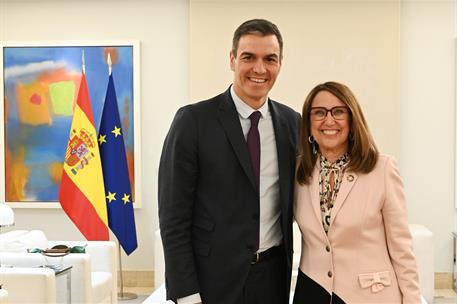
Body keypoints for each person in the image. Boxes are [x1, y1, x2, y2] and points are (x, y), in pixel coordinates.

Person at [158, 19, 300, 304]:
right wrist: (185, 293)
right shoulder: (193, 121)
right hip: (212, 281)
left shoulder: (292, 123)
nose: (259, 69)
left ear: (280, 64)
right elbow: (174, 218)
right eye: (249, 57)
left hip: (273, 279)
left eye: (270, 59)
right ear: (232, 59)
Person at [293, 81, 421, 303]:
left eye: (339, 112)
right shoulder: (298, 172)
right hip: (313, 292)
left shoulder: (382, 168)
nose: (329, 120)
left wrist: (411, 299)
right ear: (309, 124)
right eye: (319, 113)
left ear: (353, 120)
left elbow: (402, 247)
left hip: (368, 294)